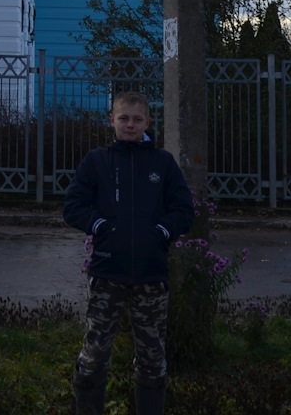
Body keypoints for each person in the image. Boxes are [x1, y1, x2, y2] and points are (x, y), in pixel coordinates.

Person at [62, 90, 196, 415]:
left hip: (151, 276)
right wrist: (99, 226)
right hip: (107, 274)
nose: (130, 125)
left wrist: (162, 231)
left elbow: (183, 210)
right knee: (94, 354)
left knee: (152, 357)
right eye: (124, 118)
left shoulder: (162, 163)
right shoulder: (97, 162)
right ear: (112, 120)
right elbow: (73, 206)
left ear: (148, 122)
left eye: (137, 119)